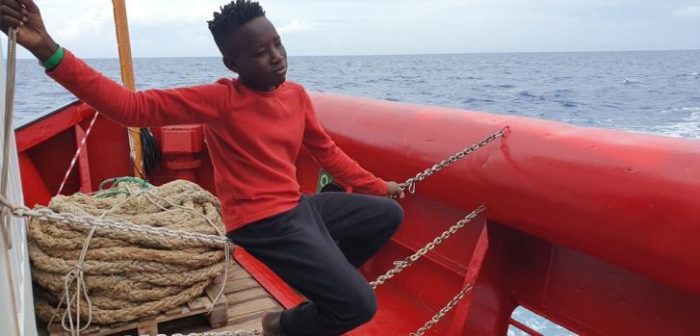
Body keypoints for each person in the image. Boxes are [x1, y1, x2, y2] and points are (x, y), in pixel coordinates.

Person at [0, 0, 405, 335]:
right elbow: (130, 107)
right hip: (261, 223)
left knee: (386, 214)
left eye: (277, 44)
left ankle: (326, 286)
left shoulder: (296, 96)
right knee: (360, 306)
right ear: (233, 63)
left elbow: (327, 151)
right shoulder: (221, 99)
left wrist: (379, 185)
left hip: (296, 208)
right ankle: (281, 324)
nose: (276, 58)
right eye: (260, 52)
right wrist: (46, 48)